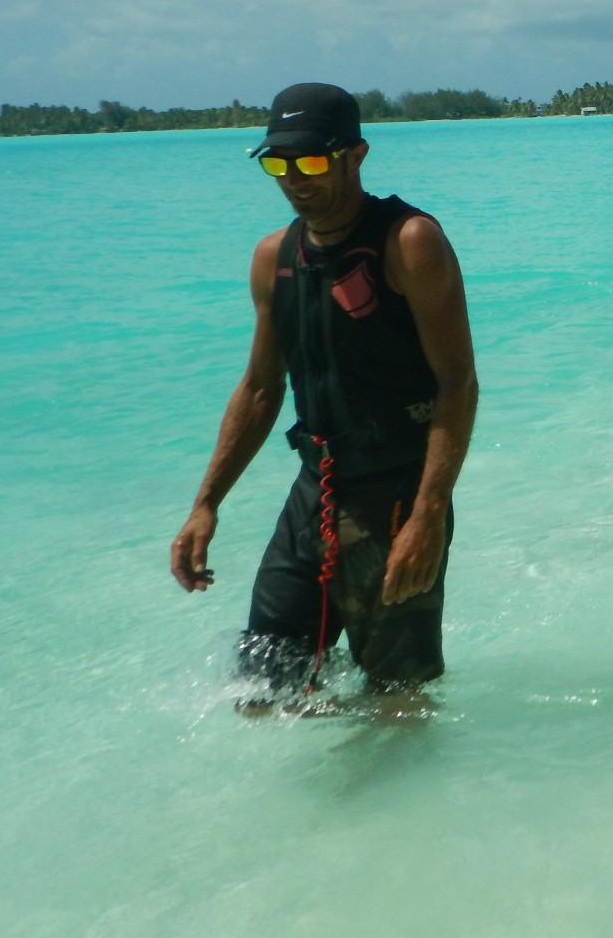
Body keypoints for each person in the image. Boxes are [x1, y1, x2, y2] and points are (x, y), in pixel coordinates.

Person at [169, 82, 478, 709]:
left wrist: (428, 516)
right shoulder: (272, 258)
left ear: (354, 156)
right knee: (262, 686)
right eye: (277, 164)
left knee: (397, 698)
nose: (293, 179)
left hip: (395, 494)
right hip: (315, 490)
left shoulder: (408, 242)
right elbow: (260, 389)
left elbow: (457, 385)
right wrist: (206, 504)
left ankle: (399, 800)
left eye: (309, 161)